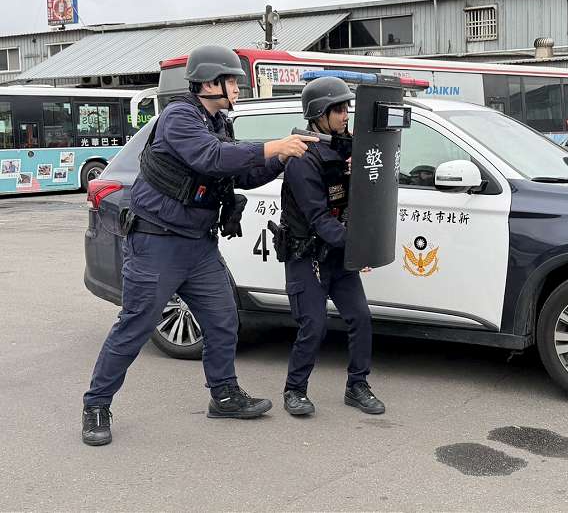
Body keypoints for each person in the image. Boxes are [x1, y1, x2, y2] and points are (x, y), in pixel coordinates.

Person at [81, 45, 317, 446]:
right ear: (209, 82)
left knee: (224, 319)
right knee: (135, 326)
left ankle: (223, 395)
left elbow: (236, 174)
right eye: (232, 82)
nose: (238, 89)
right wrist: (274, 146)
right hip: (157, 244)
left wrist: (285, 158)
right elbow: (211, 158)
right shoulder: (179, 117)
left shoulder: (219, 122)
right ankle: (96, 405)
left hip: (198, 246)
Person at [276, 76, 385, 417]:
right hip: (307, 254)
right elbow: (319, 218)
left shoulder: (346, 146)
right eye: (337, 109)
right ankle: (295, 390)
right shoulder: (302, 158)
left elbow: (368, 189)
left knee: (361, 318)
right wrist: (359, 247)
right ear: (319, 113)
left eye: (346, 108)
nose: (344, 115)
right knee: (314, 324)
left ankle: (357, 385)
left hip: (337, 252)